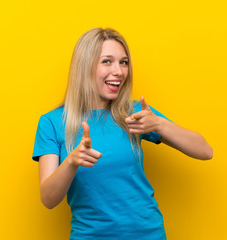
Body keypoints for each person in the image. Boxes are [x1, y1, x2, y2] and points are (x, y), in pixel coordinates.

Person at [32, 27, 213, 240]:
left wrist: (160, 125)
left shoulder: (134, 112)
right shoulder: (52, 122)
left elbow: (205, 151)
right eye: (107, 61)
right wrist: (71, 161)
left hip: (149, 234)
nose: (119, 71)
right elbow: (48, 199)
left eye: (123, 62)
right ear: (84, 66)